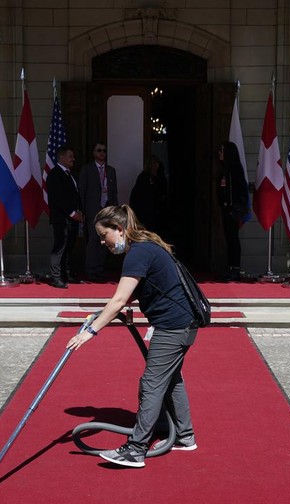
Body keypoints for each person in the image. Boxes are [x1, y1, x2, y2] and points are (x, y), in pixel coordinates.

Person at [66, 205, 198, 468]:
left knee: (151, 384)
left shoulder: (138, 253)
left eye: (105, 235)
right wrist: (114, 312)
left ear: (119, 229)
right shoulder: (146, 246)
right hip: (183, 324)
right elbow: (145, 288)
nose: (103, 242)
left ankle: (135, 449)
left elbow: (119, 298)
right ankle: (184, 436)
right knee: (171, 380)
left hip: (172, 327)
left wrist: (90, 332)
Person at [78, 141, 118, 282]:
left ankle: (100, 269)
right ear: (94, 153)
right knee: (93, 240)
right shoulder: (87, 169)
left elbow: (114, 193)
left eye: (104, 150)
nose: (102, 153)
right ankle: (90, 271)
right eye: (99, 150)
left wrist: (115, 212)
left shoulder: (111, 170)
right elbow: (81, 191)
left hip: (106, 209)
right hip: (92, 210)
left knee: (104, 240)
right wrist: (81, 210)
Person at [47, 146, 83, 288]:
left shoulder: (71, 175)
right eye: (70, 156)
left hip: (72, 220)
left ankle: (66, 273)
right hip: (61, 219)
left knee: (69, 247)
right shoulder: (55, 174)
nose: (73, 159)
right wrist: (73, 214)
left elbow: (75, 196)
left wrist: (79, 212)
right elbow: (58, 198)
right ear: (61, 158)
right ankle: (55, 277)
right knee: (59, 247)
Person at [216, 141, 248, 282]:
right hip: (226, 209)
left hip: (233, 210)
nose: (219, 153)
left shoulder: (235, 169)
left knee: (233, 239)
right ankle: (230, 267)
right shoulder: (225, 169)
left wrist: (234, 206)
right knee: (229, 239)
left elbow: (241, 190)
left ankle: (235, 269)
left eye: (222, 150)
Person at [129, 154, 168, 233]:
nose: (156, 165)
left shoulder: (159, 176)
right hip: (145, 211)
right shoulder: (144, 177)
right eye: (154, 163)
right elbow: (140, 194)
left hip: (156, 210)